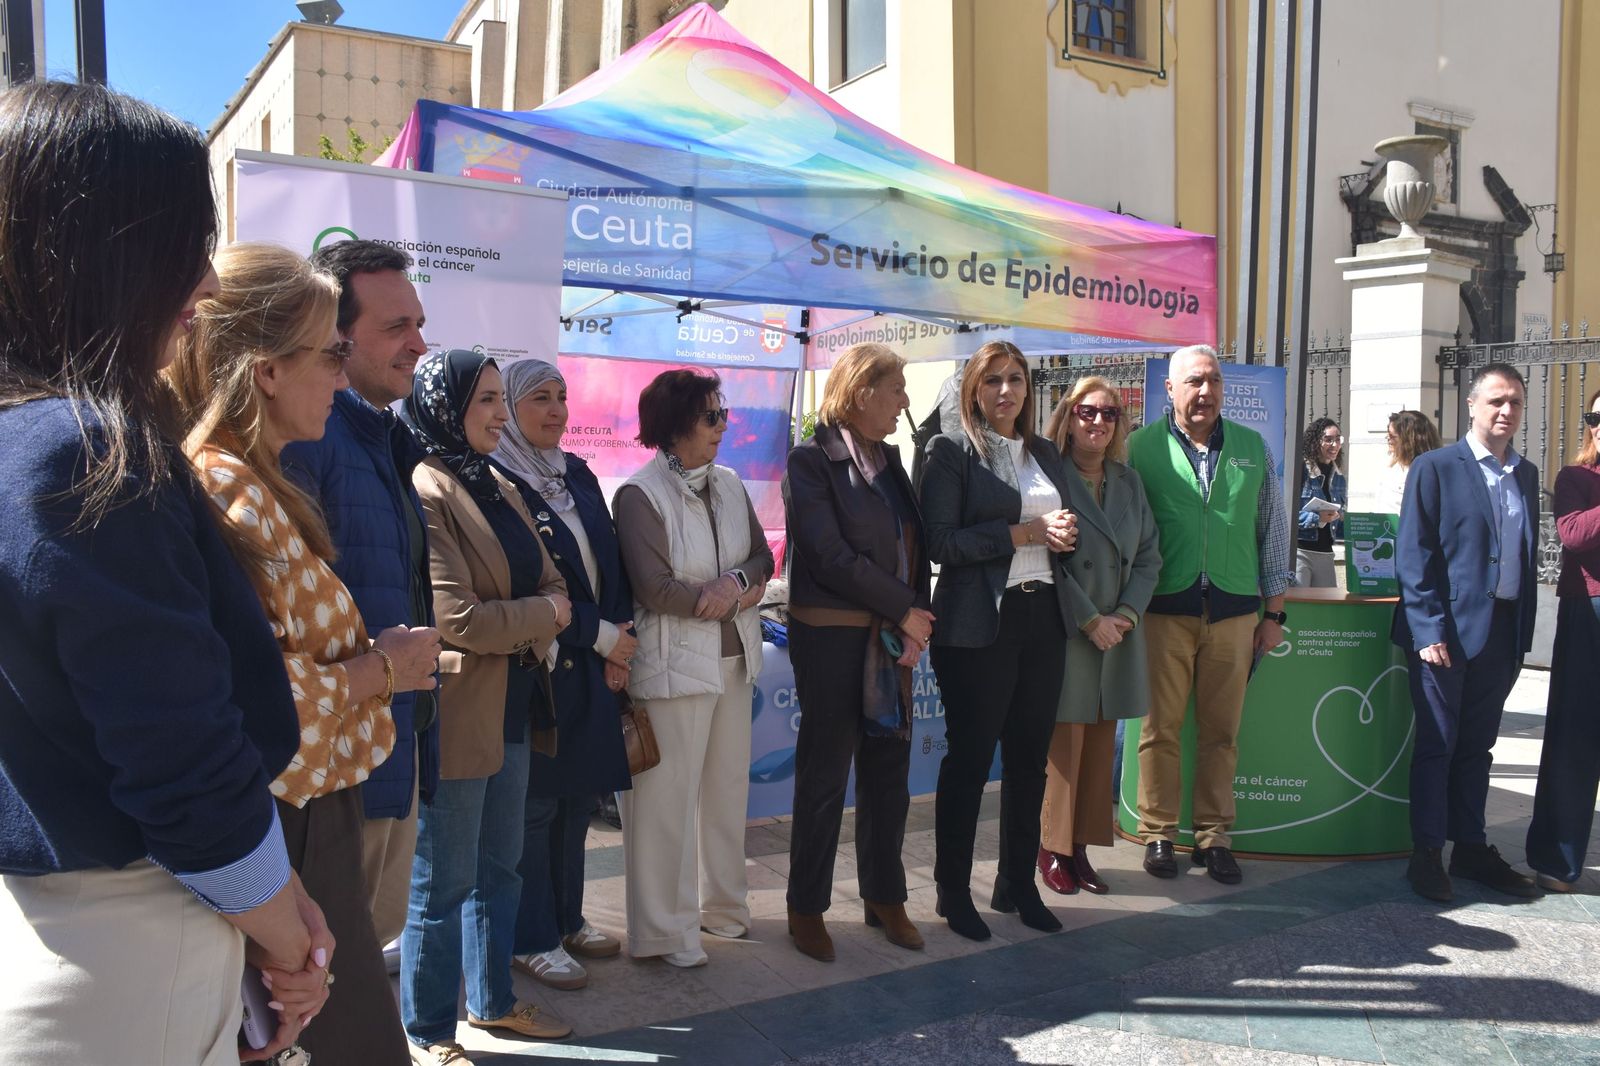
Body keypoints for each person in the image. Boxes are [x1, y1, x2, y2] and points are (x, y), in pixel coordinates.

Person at [0, 80, 330, 1065]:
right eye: (188, 243)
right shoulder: (88, 454)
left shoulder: (31, 441)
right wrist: (293, 939)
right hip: (134, 944)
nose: (209, 284)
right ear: (114, 250)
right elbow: (181, 767)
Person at [167, 241, 443, 1064]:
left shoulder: (255, 482)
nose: (340, 372)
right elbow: (247, 704)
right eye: (330, 353)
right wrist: (381, 669)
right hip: (287, 825)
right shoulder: (224, 488)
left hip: (308, 820)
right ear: (265, 371)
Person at [404, 350, 575, 1059]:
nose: (500, 414)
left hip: (513, 702)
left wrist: (536, 609)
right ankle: (429, 1032)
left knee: (501, 870)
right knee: (443, 885)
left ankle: (493, 1003)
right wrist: (543, 614)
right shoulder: (426, 485)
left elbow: (552, 574)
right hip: (460, 709)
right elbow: (459, 620)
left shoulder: (497, 480)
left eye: (502, 400)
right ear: (446, 405)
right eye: (486, 401)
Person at [281, 238, 438, 966]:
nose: (419, 343)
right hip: (337, 779)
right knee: (326, 985)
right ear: (336, 338)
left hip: (386, 753)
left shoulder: (382, 440)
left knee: (360, 964)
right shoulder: (310, 440)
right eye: (396, 326)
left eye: (419, 323)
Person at [919, 340, 1079, 941]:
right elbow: (941, 543)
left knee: (1029, 763)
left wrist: (1064, 534)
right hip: (980, 625)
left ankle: (1017, 885)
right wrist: (1021, 533)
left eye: (1016, 379)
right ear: (973, 390)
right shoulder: (951, 449)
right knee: (967, 763)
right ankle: (952, 892)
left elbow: (1059, 531)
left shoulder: (1042, 452)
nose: (1006, 391)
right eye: (993, 381)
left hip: (1045, 619)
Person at [614, 369, 773, 968]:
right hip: (672, 668)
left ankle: (725, 911)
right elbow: (653, 587)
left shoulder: (730, 482)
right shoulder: (639, 493)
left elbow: (760, 556)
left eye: (723, 413)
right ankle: (664, 932)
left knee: (727, 794)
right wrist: (719, 597)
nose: (723, 426)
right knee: (666, 804)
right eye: (711, 417)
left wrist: (732, 585)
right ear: (676, 425)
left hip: (734, 659)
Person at [782, 343, 933, 962]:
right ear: (861, 390)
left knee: (888, 773)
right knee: (824, 775)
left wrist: (917, 619)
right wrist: (904, 608)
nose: (904, 402)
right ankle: (805, 906)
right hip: (833, 637)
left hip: (892, 638)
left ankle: (885, 896)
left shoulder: (890, 461)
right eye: (895, 389)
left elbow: (912, 548)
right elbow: (829, 555)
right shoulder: (811, 461)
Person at [1126, 344, 1292, 886]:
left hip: (1234, 613)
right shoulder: (1138, 448)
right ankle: (1158, 833)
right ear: (1169, 390)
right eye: (1193, 382)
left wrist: (1276, 613)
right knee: (1160, 730)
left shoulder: (1252, 448)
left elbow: (1272, 531)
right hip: (1163, 611)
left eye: (1213, 381)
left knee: (1222, 732)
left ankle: (1214, 836)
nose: (1205, 391)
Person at [494, 359, 632, 989]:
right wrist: (596, 634)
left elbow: (610, 560)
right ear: (509, 410)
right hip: (543, 665)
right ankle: (531, 937)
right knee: (537, 808)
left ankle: (569, 918)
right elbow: (530, 585)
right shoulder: (498, 479)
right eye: (538, 399)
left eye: (561, 397)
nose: (555, 410)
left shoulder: (575, 473)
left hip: (595, 660)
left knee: (578, 801)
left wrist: (619, 641)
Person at [1394, 363, 1541, 902]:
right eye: (1497, 401)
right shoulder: (1436, 467)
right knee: (1438, 744)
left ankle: (1472, 849)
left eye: (1516, 403)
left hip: (1501, 632)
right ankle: (1427, 854)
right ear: (1472, 406)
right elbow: (1415, 553)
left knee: (1479, 747)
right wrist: (1428, 626)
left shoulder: (1524, 474)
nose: (1507, 411)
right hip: (1444, 634)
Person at [1038, 377, 1160, 897]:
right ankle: (1051, 846)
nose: (1098, 422)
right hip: (1070, 630)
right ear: (1069, 415)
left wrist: (1127, 615)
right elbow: (1044, 560)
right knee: (1064, 747)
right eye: (1088, 412)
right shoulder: (1049, 477)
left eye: (1109, 414)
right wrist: (1091, 619)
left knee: (1098, 746)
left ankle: (1081, 846)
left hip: (1117, 634)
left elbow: (1150, 555)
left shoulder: (1128, 482)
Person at [1527, 388, 1600, 893]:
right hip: (1588, 609)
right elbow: (1574, 536)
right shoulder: (1574, 479)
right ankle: (1557, 859)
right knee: (1574, 740)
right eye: (1597, 416)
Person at [1295, 417, 1346, 588]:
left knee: (1325, 609)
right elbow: (1286, 513)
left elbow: (1339, 520)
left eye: (1338, 439)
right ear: (1316, 442)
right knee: (1300, 608)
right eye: (1328, 439)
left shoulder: (1338, 476)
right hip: (1300, 552)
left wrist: (1343, 518)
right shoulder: (1301, 469)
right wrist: (1317, 518)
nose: (1335, 444)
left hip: (1326, 553)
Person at [1377, 409, 1443, 514]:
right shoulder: (1391, 466)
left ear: (1409, 440)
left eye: (1392, 436)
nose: (1388, 439)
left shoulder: (1426, 470)